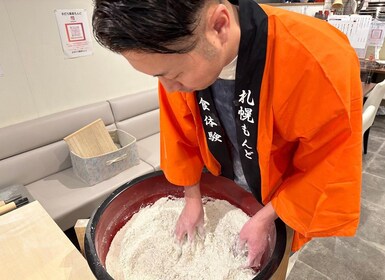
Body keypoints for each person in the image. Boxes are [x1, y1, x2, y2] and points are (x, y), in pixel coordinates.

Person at [92, 0, 362, 269]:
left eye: (174, 74)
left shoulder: (318, 57)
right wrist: (192, 197)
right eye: (157, 77)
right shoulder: (177, 61)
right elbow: (180, 134)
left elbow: (326, 163)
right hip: (224, 182)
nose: (169, 88)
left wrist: (265, 218)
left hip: (284, 200)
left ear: (219, 25)